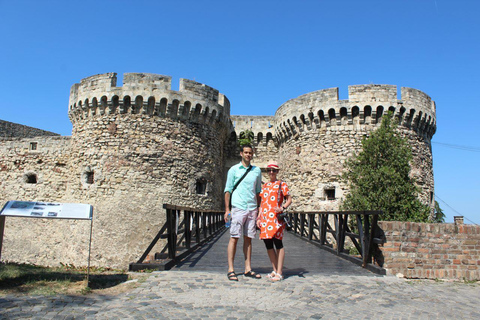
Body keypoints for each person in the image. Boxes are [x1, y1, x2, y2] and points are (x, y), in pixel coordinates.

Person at [224, 144, 263, 281]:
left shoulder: (257, 171)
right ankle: (231, 269)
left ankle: (248, 269)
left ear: (252, 154)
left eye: (250, 153)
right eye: (246, 152)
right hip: (238, 207)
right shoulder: (233, 170)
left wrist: (259, 209)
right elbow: (228, 190)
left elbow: (258, 191)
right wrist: (227, 210)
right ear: (241, 153)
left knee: (248, 239)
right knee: (234, 237)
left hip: (252, 208)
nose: (248, 155)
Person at [256, 160, 292, 282]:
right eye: (269, 170)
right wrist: (259, 217)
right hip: (265, 219)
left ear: (277, 171)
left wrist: (282, 208)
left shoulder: (282, 184)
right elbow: (262, 203)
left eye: (274, 170)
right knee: (268, 244)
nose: (271, 172)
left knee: (278, 244)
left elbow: (289, 199)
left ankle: (280, 272)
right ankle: (274, 269)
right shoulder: (265, 186)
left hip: (276, 218)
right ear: (267, 172)